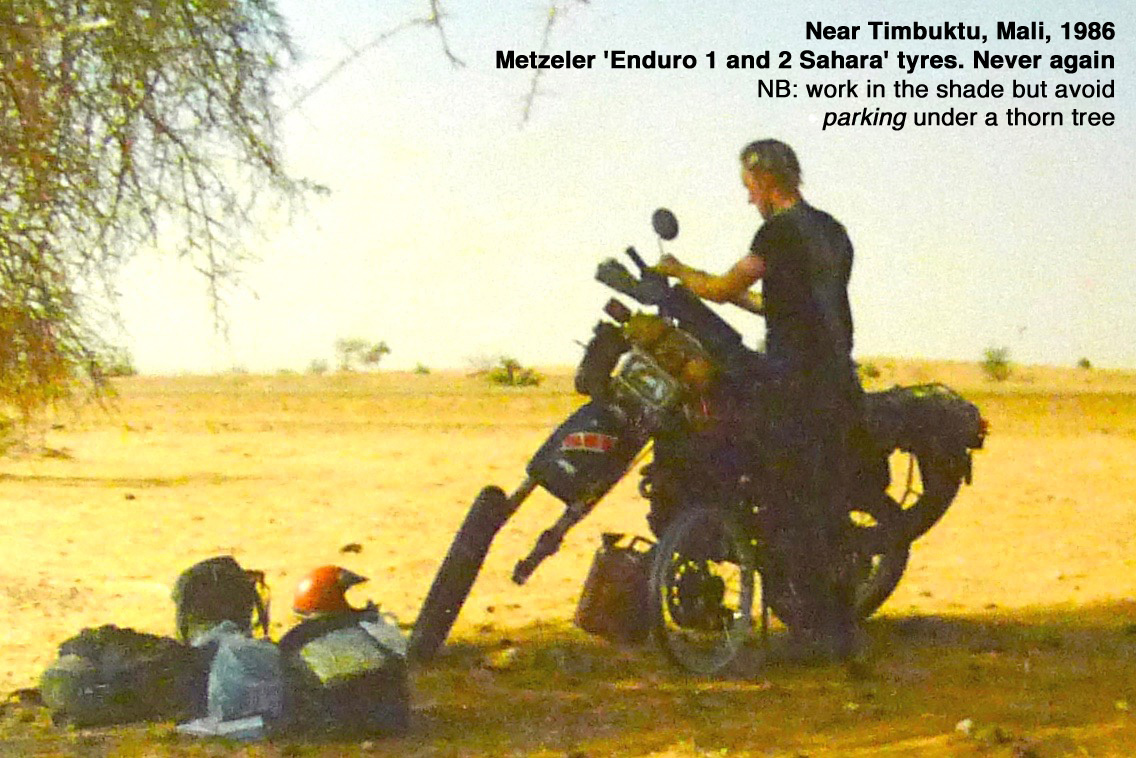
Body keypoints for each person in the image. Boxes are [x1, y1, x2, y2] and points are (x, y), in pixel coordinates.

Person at [653, 138, 863, 661]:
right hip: (837, 383)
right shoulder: (832, 231)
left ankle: (815, 637)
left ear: (766, 180)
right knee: (825, 507)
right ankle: (837, 633)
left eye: (750, 187)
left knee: (791, 502)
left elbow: (725, 287)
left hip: (795, 385)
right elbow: (787, 305)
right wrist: (714, 289)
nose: (748, 198)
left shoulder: (777, 232)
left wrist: (680, 273)